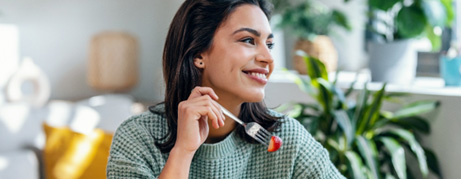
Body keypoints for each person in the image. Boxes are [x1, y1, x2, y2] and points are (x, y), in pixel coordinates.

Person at [107, 0, 345, 178]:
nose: (267, 58)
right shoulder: (138, 138)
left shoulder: (285, 138)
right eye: (248, 40)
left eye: (269, 45)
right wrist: (183, 151)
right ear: (199, 53)